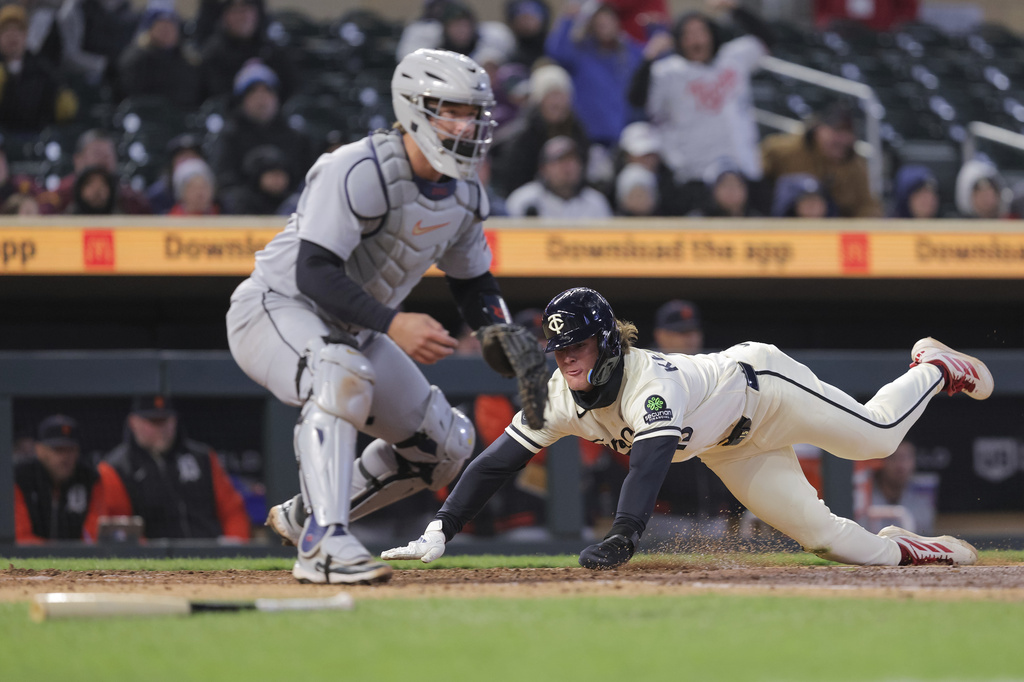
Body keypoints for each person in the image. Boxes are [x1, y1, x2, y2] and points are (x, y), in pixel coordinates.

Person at [384, 286, 987, 569]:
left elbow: (647, 467)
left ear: (608, 341)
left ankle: (933, 366)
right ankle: (910, 548)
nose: (567, 361)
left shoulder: (651, 382)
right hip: (731, 449)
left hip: (764, 387)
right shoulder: (561, 393)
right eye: (559, 350)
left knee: (875, 438)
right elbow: (497, 461)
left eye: (580, 347)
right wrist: (442, 527)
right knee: (836, 543)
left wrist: (624, 536)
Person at [227, 49, 528, 584]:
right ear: (415, 108)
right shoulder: (356, 166)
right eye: (452, 110)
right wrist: (394, 323)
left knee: (445, 447)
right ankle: (324, 543)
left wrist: (497, 328)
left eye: (474, 113)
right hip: (275, 308)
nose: (468, 124)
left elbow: (473, 280)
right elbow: (313, 272)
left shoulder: (465, 193)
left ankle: (306, 516)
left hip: (354, 329)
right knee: (341, 372)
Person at [629, 0, 774, 195]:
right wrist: (648, 59)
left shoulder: (733, 58)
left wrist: (735, 9)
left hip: (742, 166)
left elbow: (768, 39)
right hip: (694, 173)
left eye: (700, 32)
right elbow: (636, 100)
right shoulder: (668, 72)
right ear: (678, 40)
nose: (696, 40)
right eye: (687, 34)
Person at [97, 395, 251, 541]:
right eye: (153, 421)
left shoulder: (202, 457)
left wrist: (233, 546)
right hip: (154, 562)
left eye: (165, 420)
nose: (161, 428)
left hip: (210, 557)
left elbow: (233, 510)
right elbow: (123, 532)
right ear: (133, 422)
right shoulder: (115, 468)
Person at [207, 60, 314, 201]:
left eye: (267, 91)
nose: (261, 98)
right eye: (253, 92)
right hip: (244, 215)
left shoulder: (295, 137)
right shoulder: (229, 137)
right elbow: (224, 182)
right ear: (242, 100)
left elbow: (308, 180)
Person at [544, 1, 644, 149]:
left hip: (626, 136)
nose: (604, 25)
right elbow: (556, 53)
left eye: (608, 19)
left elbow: (650, 60)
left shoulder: (629, 53)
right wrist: (568, 19)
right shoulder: (580, 53)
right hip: (590, 138)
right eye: (598, 22)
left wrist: (657, 32)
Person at [761, 100, 882, 218]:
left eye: (848, 133)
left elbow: (868, 208)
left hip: (833, 232)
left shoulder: (856, 166)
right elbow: (753, 178)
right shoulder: (782, 151)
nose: (843, 139)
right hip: (784, 229)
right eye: (837, 131)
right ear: (818, 130)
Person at [490, 62, 589, 197]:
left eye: (561, 95)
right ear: (539, 99)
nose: (557, 101)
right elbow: (513, 179)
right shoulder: (521, 136)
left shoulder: (578, 132)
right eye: (551, 95)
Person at [14, 415, 105, 543]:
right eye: (58, 450)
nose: (65, 457)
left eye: (70, 450)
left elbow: (94, 535)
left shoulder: (89, 478)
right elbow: (20, 538)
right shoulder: (21, 477)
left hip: (77, 560)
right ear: (40, 450)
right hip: (27, 561)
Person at [197, 0, 297, 103]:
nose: (242, 17)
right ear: (225, 16)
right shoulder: (213, 56)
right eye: (235, 11)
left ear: (257, 13)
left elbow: (292, 89)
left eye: (246, 11)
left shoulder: (274, 52)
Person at [0, 3, 77, 132]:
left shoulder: (43, 70)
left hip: (35, 137)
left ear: (25, 36)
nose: (12, 36)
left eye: (17, 30)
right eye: (6, 31)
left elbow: (58, 104)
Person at [38, 128, 150, 214]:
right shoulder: (60, 197)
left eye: (108, 155)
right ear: (78, 160)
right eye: (97, 153)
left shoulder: (130, 200)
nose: (103, 160)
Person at [115, 2, 200, 109]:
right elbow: (131, 96)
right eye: (162, 25)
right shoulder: (136, 59)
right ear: (150, 29)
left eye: (171, 25)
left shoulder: (187, 61)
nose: (167, 30)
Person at [506, 135, 611, 218]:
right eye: (560, 161)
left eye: (573, 161)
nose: (568, 167)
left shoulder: (596, 202)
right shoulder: (523, 200)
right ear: (543, 169)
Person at [854, 439, 938, 535]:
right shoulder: (863, 496)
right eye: (894, 458)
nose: (900, 465)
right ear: (882, 462)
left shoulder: (921, 502)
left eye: (906, 458)